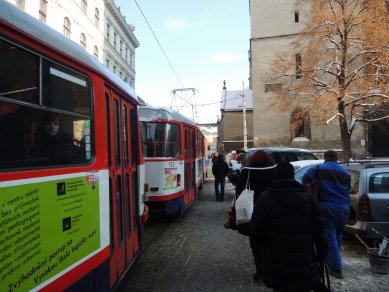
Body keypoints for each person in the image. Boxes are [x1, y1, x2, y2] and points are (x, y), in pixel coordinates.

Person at [250, 161, 329, 291]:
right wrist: (322, 254)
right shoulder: (309, 198)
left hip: (276, 265)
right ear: (292, 175)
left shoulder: (265, 198)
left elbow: (256, 233)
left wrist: (260, 260)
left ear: (276, 175)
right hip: (304, 262)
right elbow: (320, 232)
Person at [302, 150, 351, 279]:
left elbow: (305, 179)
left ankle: (335, 267)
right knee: (337, 234)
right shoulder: (345, 172)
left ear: (325, 158)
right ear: (336, 159)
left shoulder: (318, 168)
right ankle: (335, 259)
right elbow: (348, 188)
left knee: (329, 235)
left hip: (327, 206)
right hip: (344, 207)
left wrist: (310, 194)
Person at [234, 150, 276, 280]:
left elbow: (239, 189)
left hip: (253, 211)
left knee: (256, 243)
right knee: (271, 241)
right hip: (272, 210)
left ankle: (260, 271)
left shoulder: (247, 171)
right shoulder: (274, 170)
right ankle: (271, 269)